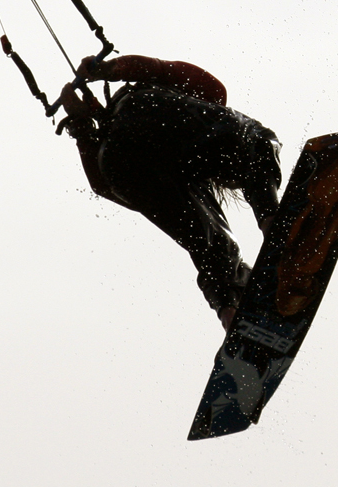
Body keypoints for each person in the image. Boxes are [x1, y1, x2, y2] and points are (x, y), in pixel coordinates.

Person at [49, 54, 282, 329]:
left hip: (115, 160)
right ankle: (276, 226)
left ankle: (231, 316)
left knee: (211, 245)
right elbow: (162, 71)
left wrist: (82, 128)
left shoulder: (189, 181)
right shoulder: (208, 108)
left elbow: (104, 186)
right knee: (257, 141)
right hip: (146, 111)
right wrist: (110, 69)